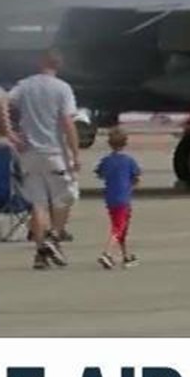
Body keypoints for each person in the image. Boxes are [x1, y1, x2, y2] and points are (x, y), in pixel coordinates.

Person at [11, 50, 80, 269]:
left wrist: (10, 133)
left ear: (40, 62)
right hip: (54, 152)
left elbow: (1, 101)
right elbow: (68, 122)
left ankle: (40, 254)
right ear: (58, 64)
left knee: (38, 205)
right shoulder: (62, 88)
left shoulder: (25, 85)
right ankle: (54, 238)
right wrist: (75, 153)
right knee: (65, 198)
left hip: (29, 153)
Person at [93, 128, 141, 269]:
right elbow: (136, 177)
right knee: (118, 228)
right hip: (123, 198)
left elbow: (99, 173)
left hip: (110, 198)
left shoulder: (106, 160)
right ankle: (107, 253)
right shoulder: (129, 161)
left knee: (120, 226)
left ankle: (126, 255)